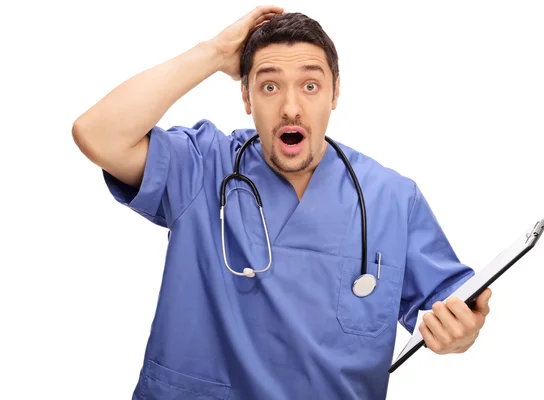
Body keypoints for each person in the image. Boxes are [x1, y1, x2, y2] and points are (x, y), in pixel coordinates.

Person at [72, 6, 492, 400]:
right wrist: (214, 52)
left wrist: (462, 332)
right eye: (269, 86)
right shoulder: (201, 166)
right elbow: (97, 133)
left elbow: (452, 304)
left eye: (310, 85)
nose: (291, 108)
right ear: (246, 99)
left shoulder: (392, 198)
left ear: (335, 93)